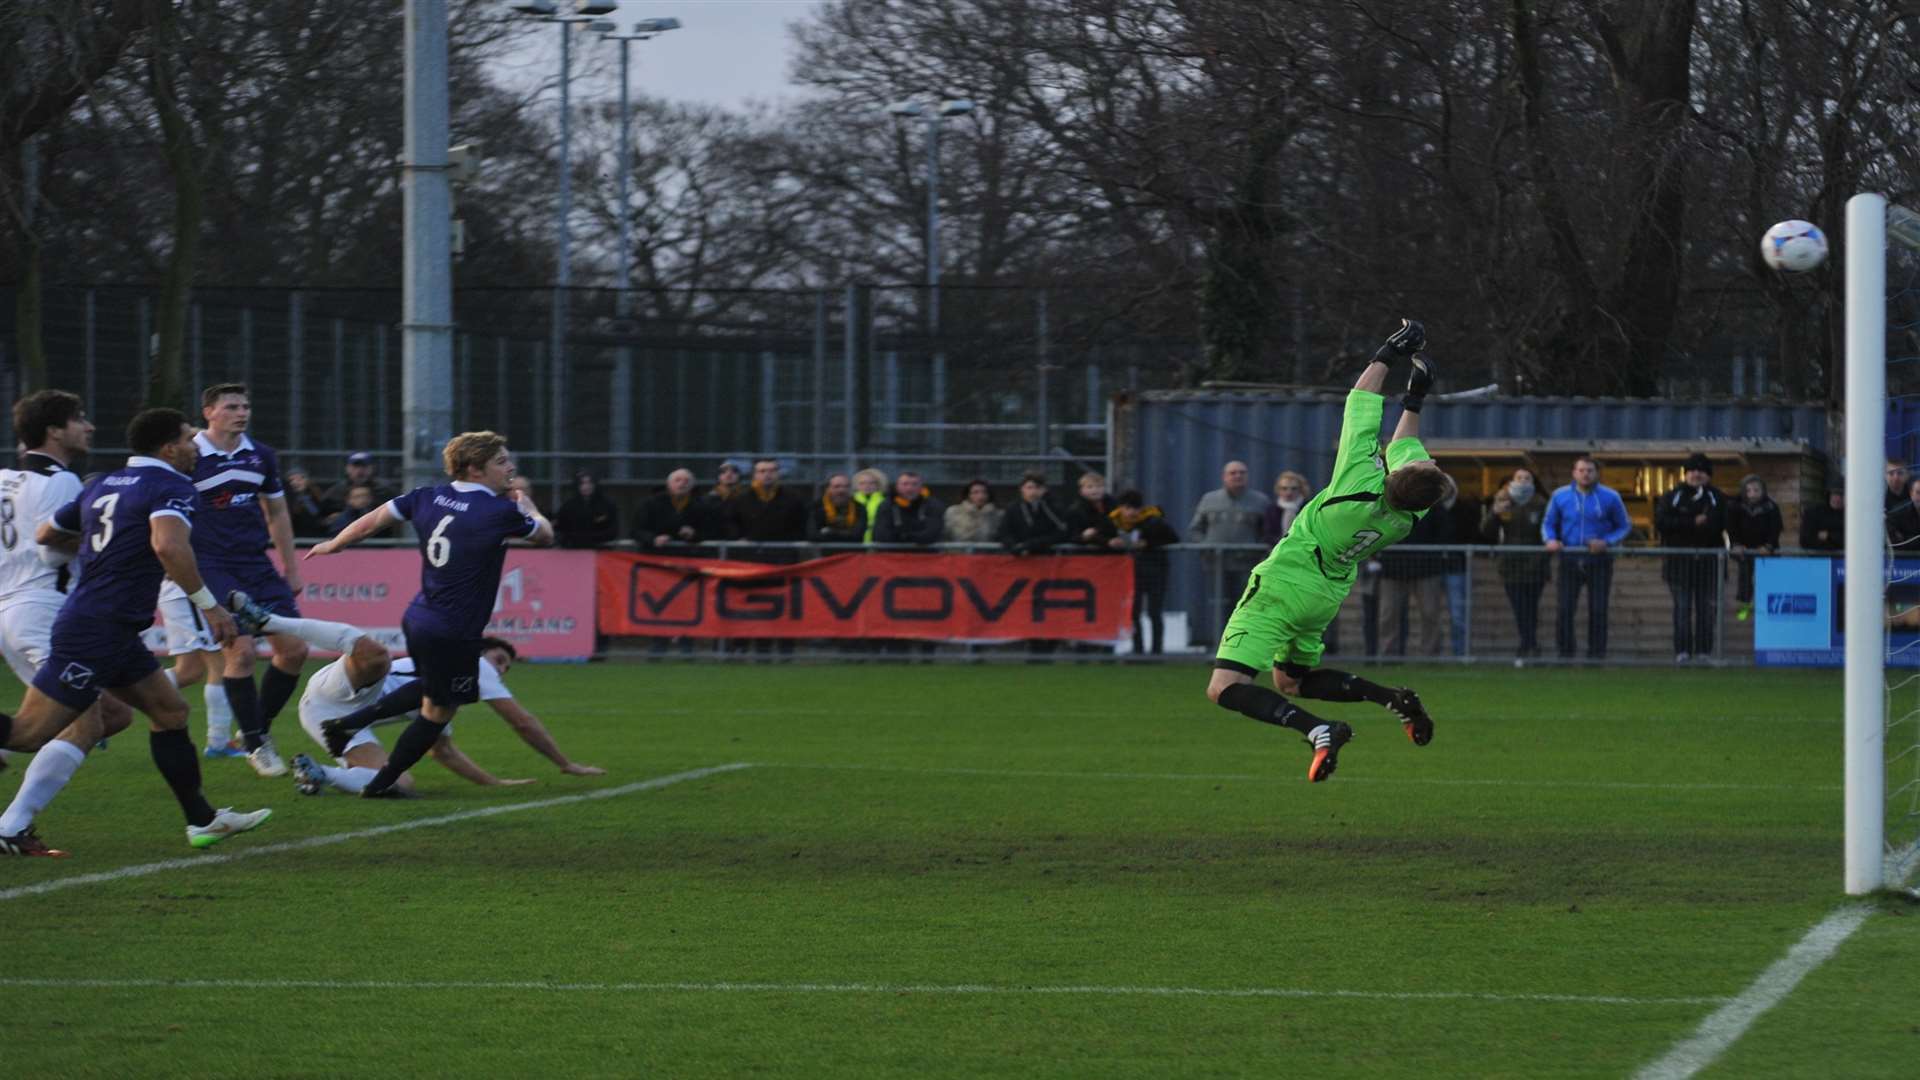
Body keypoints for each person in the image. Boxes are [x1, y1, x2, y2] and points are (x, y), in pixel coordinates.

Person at [0, 407, 270, 849]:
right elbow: (168, 545)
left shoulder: (102, 482)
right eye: (187, 439)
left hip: (113, 627)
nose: (194, 447)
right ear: (168, 448)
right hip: (95, 627)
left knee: (170, 712)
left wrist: (105, 547)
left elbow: (48, 533)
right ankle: (11, 826)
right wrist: (211, 607)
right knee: (29, 733)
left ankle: (202, 819)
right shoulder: (171, 485)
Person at [1204, 319, 1443, 783]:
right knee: (1291, 681)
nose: (1427, 457)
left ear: (1393, 475)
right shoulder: (1410, 516)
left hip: (1284, 581)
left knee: (1225, 687)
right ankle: (1395, 699)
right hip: (1326, 594)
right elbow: (1404, 448)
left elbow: (1362, 401)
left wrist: (1387, 352)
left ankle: (1318, 730)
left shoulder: (1359, 480)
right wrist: (1415, 398)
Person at [303, 430, 554, 798]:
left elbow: (373, 520)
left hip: (420, 617)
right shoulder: (500, 512)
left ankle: (351, 723)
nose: (510, 467)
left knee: (435, 688)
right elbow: (546, 536)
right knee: (439, 712)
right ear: (474, 468)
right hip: (456, 627)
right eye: (501, 461)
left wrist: (335, 543)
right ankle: (381, 782)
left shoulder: (425, 496)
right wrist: (530, 509)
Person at [225, 595, 604, 796]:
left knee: (398, 783)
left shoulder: (449, 692)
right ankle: (269, 621)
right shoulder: (473, 664)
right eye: (500, 659)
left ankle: (318, 774)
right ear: (482, 651)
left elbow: (442, 751)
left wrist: (493, 784)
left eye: (505, 667)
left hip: (327, 716)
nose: (500, 669)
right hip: (339, 693)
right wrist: (564, 763)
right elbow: (520, 720)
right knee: (376, 656)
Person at [0, 391, 136, 856]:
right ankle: (12, 826)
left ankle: (11, 818)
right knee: (86, 721)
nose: (89, 427)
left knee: (114, 714)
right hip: (44, 611)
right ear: (55, 430)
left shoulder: (4, 480)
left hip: (14, 609)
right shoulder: (61, 482)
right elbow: (50, 549)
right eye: (80, 419)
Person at [176, 383, 309, 779]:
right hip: (211, 566)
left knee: (295, 650)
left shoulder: (261, 455)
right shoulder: (189, 454)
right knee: (243, 652)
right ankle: (255, 743)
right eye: (232, 406)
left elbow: (278, 513)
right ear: (209, 412)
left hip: (256, 563)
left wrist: (292, 566)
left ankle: (254, 729)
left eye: (246, 406)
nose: (242, 412)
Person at [1542, 455, 1632, 660]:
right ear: (1574, 473)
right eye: (1581, 470)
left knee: (1598, 609)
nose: (1586, 474)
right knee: (1565, 608)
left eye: (1590, 470)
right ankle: (1565, 653)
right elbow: (1548, 523)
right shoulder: (1559, 495)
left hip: (1599, 560)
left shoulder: (1611, 497)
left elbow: (1624, 525)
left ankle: (1596, 654)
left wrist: (1607, 542)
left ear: (1597, 473)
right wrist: (1550, 539)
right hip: (1569, 559)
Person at [1188, 460, 1270, 648]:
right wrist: (1206, 546)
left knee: (1245, 606)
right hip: (1216, 564)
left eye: (1242, 472)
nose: (1237, 476)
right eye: (1233, 473)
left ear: (1247, 476)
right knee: (1218, 606)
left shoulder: (1260, 501)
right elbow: (1195, 530)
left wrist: (1260, 552)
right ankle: (1218, 646)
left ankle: (1242, 647)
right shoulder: (1209, 500)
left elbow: (1266, 533)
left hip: (1247, 565)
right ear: (1224, 477)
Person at [1654, 453, 1727, 661]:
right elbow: (1662, 522)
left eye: (1702, 471)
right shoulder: (1672, 496)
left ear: (1709, 475)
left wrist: (1699, 524)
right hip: (1679, 566)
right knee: (1682, 609)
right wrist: (1692, 522)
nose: (1697, 474)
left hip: (1709, 565)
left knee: (1706, 610)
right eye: (1692, 470)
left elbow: (1720, 524)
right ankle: (1682, 651)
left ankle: (1704, 652)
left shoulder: (1717, 497)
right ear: (1685, 474)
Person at [1479, 467, 1551, 658]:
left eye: (1527, 478)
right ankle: (1527, 642)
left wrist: (1543, 557)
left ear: (1533, 482)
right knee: (1518, 606)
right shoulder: (1503, 500)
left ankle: (1529, 643)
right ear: (1512, 480)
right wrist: (1494, 513)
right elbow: (1486, 531)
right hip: (1509, 565)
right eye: (1519, 477)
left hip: (1536, 565)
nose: (1523, 481)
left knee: (1531, 606)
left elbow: (1548, 533)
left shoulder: (1541, 503)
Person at [1377, 482, 1451, 657]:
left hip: (1426, 568)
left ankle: (1429, 654)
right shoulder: (1388, 503)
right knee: (1388, 614)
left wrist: (1432, 556)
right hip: (1393, 568)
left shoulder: (1433, 505)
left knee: (1430, 612)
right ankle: (1389, 654)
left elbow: (1444, 531)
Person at [1111, 489, 1179, 656]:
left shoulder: (1154, 521)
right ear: (1121, 508)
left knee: (1154, 612)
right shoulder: (1114, 521)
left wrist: (1148, 543)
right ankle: (1138, 649)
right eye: (1127, 508)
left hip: (1156, 571)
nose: (1131, 512)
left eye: (1135, 508)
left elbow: (1173, 538)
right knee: (1134, 612)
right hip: (1131, 574)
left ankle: (1157, 651)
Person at [1726, 473, 1782, 621]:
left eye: (1756, 490)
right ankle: (1744, 607)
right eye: (1749, 490)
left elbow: (1776, 528)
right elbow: (1731, 528)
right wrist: (1736, 545)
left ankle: (1767, 609)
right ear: (1743, 491)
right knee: (1744, 579)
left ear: (1763, 490)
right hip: (1744, 549)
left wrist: (1769, 546)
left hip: (1766, 550)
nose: (1753, 494)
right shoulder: (1735, 505)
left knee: (1767, 579)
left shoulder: (1771, 506)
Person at [727, 458, 808, 544]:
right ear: (754, 475)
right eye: (762, 471)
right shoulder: (740, 498)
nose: (767, 474)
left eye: (772, 471)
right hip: (749, 551)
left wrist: (796, 540)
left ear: (778, 473)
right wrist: (738, 538)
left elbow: (801, 523)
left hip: (783, 551)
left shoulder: (793, 498)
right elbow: (731, 522)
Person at [636, 468, 715, 550]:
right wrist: (653, 539)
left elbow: (711, 532)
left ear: (692, 486)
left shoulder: (702, 506)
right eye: (677, 480)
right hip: (655, 555)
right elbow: (637, 530)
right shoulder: (651, 503)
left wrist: (694, 535)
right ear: (668, 484)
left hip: (687, 557)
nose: (682, 484)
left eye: (686, 481)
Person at [999, 471, 1072, 555]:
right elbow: (1004, 532)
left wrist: (1035, 544)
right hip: (1019, 556)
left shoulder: (1052, 508)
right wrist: (1014, 546)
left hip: (1046, 556)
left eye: (1037, 487)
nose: (1033, 492)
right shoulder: (1013, 508)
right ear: (1022, 489)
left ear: (1044, 489)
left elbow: (1061, 532)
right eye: (1029, 487)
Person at [871, 471, 944, 546]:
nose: (909, 488)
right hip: (893, 555)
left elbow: (932, 534)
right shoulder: (887, 505)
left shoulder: (933, 505)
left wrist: (903, 536)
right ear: (897, 486)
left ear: (921, 487)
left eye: (914, 484)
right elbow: (881, 535)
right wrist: (912, 537)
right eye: (905, 484)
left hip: (926, 554)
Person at [554, 470, 619, 548]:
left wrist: (592, 538)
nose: (586, 486)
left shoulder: (607, 505)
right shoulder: (568, 506)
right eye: (582, 483)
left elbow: (613, 530)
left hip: (601, 549)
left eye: (589, 483)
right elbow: (560, 528)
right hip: (574, 550)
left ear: (595, 484)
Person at [320, 450, 395, 516]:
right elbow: (322, 515)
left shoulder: (385, 490)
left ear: (372, 468)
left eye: (364, 466)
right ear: (347, 469)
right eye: (355, 466)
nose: (359, 471)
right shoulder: (336, 491)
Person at [1066, 473, 1126, 553]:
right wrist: (1083, 536)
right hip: (1088, 555)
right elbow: (1072, 536)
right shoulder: (1075, 510)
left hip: (1116, 552)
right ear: (1081, 490)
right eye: (1090, 487)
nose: (1095, 490)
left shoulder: (1114, 505)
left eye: (1099, 486)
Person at [809, 473, 867, 544]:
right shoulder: (816, 507)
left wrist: (829, 532)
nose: (842, 490)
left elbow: (857, 536)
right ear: (828, 489)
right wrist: (846, 534)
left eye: (846, 487)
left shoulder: (859, 508)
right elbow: (813, 536)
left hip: (852, 552)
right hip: (822, 553)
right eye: (837, 486)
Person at [942, 479, 1002, 544]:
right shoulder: (954, 512)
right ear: (968, 495)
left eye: (984, 492)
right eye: (975, 492)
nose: (980, 496)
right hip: (958, 552)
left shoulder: (997, 514)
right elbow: (945, 535)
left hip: (987, 553)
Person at [1260, 471, 1311, 545]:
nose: (1289, 492)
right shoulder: (1272, 509)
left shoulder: (1308, 508)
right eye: (1284, 488)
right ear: (1278, 490)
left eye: (1294, 489)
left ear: (1301, 489)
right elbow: (1267, 535)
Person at [283, 466, 331, 539]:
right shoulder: (284, 499)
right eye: (291, 480)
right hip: (295, 537)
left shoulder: (317, 495)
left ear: (308, 481)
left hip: (317, 536)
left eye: (300, 479)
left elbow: (323, 513)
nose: (295, 482)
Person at [1799, 485, 1844, 552]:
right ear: (1829, 495)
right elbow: (1805, 540)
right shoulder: (1814, 513)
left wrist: (1829, 536)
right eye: (1834, 494)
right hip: (1818, 559)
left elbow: (1853, 541)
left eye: (1841, 495)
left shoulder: (1853, 517)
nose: (1837, 498)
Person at [851, 468, 888, 544]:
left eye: (871, 483)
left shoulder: (885, 502)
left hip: (878, 542)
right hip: (855, 541)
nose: (867, 486)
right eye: (862, 483)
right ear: (856, 485)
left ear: (879, 485)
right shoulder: (851, 502)